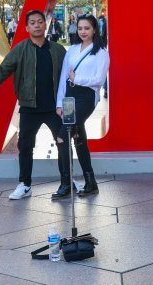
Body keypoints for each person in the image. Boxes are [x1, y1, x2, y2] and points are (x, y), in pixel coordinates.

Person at [0, 10, 71, 200]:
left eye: (40, 22)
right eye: (33, 23)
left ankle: (66, 183)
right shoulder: (20, 49)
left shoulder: (58, 50)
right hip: (30, 107)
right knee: (25, 146)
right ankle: (25, 185)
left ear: (46, 25)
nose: (37, 25)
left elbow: (69, 77)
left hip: (55, 109)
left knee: (63, 143)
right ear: (27, 28)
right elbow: (2, 71)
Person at [55, 14, 110, 197]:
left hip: (87, 97)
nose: (83, 31)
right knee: (78, 138)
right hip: (70, 96)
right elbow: (64, 77)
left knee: (63, 134)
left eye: (87, 28)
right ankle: (90, 181)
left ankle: (65, 183)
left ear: (95, 29)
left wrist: (77, 78)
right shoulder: (72, 50)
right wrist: (59, 103)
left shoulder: (101, 52)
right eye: (80, 28)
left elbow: (99, 80)